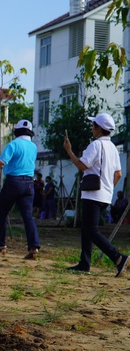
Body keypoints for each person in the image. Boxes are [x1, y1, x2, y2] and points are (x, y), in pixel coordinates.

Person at [64, 113, 128, 276]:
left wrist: (69, 151)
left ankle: (119, 258)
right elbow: (118, 174)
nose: (92, 129)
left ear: (99, 129)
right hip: (106, 195)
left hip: (93, 194)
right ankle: (84, 263)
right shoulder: (113, 147)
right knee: (87, 229)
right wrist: (109, 188)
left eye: (93, 126)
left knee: (91, 230)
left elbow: (82, 166)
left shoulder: (95, 145)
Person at [0, 119, 40, 260]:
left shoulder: (13, 144)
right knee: (28, 216)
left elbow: (3, 162)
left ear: (17, 131)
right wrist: (0, 155)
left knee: (2, 213)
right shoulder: (33, 147)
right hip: (28, 184)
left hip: (13, 182)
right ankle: (34, 246)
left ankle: (0, 243)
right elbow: (18, 160)